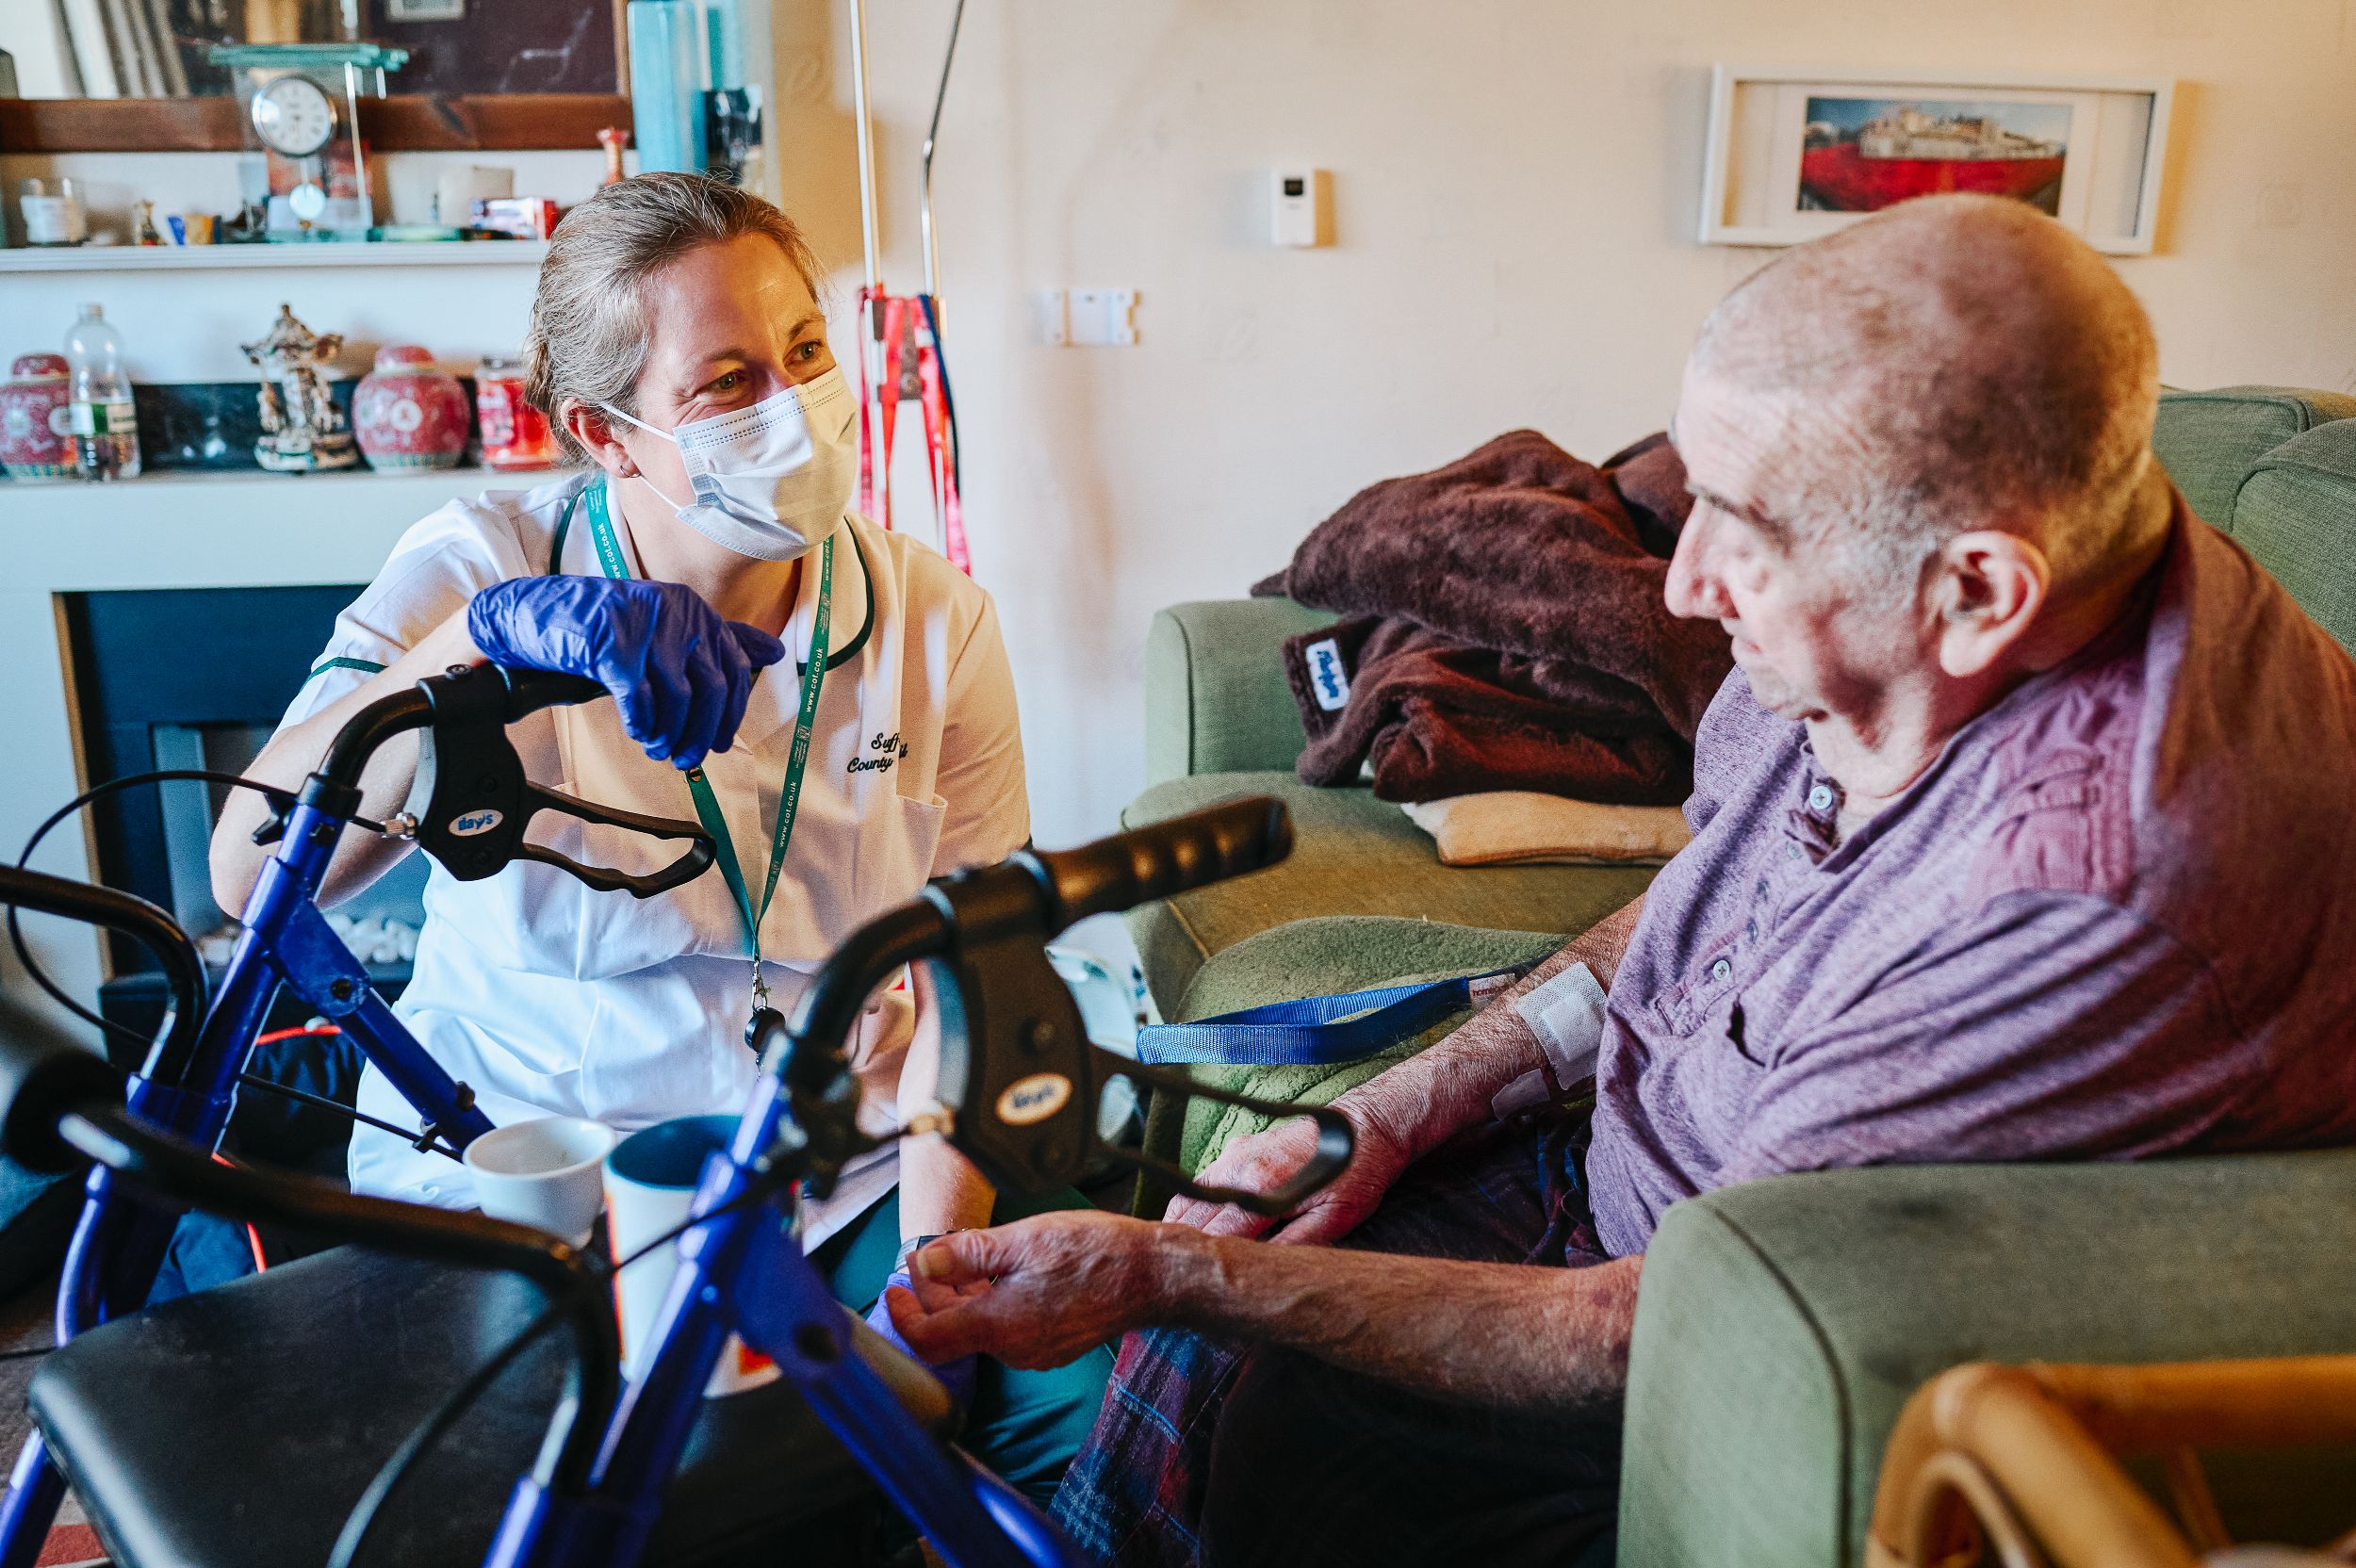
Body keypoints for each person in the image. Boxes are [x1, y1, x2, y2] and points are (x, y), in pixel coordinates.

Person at [882, 192, 2356, 1565]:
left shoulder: (2083, 888)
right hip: (1630, 1173)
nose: (1682, 585)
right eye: (1693, 496)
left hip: (1700, 1323)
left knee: (1246, 1405)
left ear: (1976, 591)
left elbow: (1657, 1331)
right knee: (1215, 1305)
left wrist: (1164, 1274)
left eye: (1744, 532)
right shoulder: (1920, 631)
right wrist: (1400, 1107)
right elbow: (1708, 898)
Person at [206, 172, 1110, 1506]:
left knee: (1075, 1397)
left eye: (806, 352)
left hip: (840, 1173)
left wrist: (930, 1288)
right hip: (535, 1173)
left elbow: (974, 977)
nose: (793, 407)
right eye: (728, 382)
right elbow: (248, 871)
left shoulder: (935, 624)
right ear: (604, 432)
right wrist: (477, 653)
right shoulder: (480, 565)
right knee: (605, 1477)